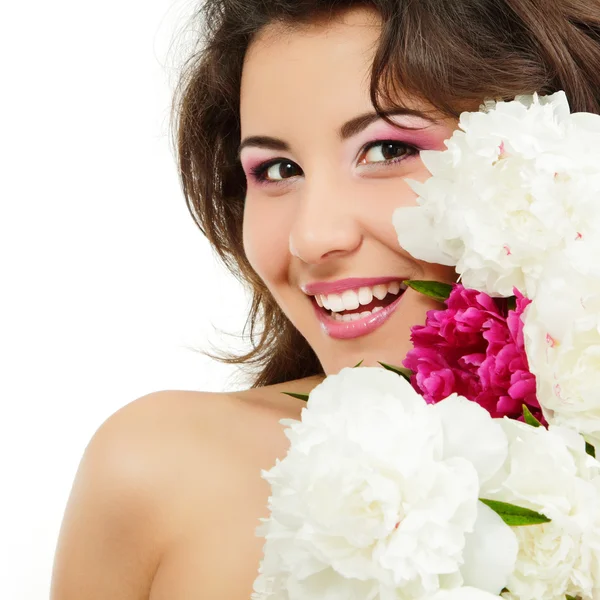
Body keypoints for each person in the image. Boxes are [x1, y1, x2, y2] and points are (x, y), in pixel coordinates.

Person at [49, 1, 600, 598]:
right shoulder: (161, 467)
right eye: (279, 169)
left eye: (388, 150)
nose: (312, 236)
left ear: (555, 156)